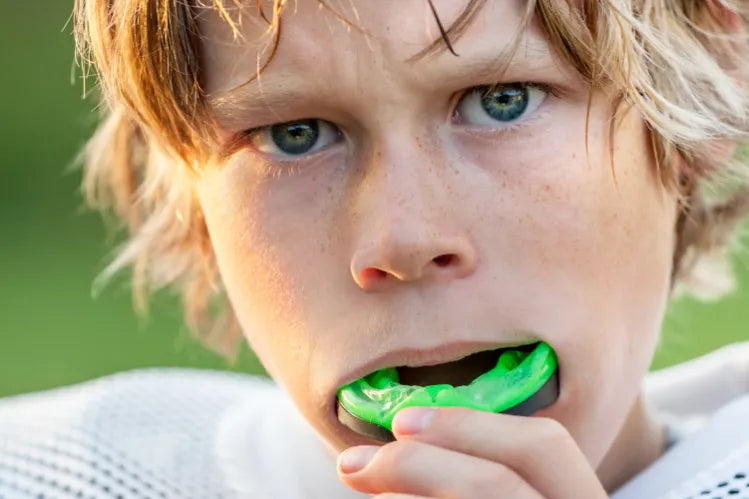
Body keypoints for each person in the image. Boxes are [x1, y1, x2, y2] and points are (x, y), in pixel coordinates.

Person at [1, 1, 749, 497]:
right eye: (295, 134)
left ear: (713, 76)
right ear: (191, 194)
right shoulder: (61, 471)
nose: (403, 238)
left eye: (501, 100)